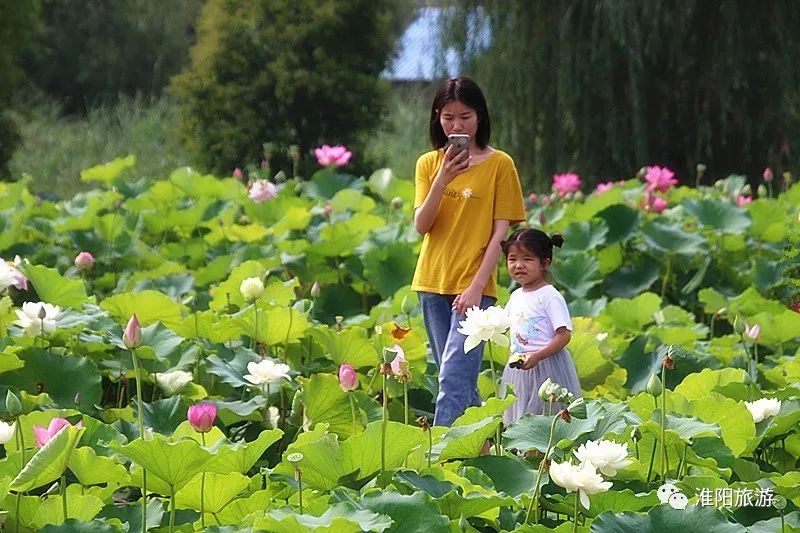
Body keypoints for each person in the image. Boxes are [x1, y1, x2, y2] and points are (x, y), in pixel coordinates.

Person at [412, 76, 525, 426]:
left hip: (476, 286)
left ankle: (441, 456)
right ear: (437, 118)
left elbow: (501, 234)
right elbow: (422, 225)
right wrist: (442, 179)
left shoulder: (500, 165)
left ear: (480, 116)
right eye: (448, 118)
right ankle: (485, 446)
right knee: (458, 377)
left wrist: (478, 286)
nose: (457, 125)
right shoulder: (429, 164)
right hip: (432, 282)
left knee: (452, 378)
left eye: (465, 116)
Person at [500, 228, 582, 425]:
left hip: (547, 366)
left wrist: (538, 356)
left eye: (527, 259)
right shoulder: (515, 296)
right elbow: (505, 324)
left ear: (545, 263)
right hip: (519, 366)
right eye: (512, 259)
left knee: (546, 420)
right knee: (521, 422)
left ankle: (541, 455)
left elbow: (564, 335)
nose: (518, 265)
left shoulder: (550, 296)